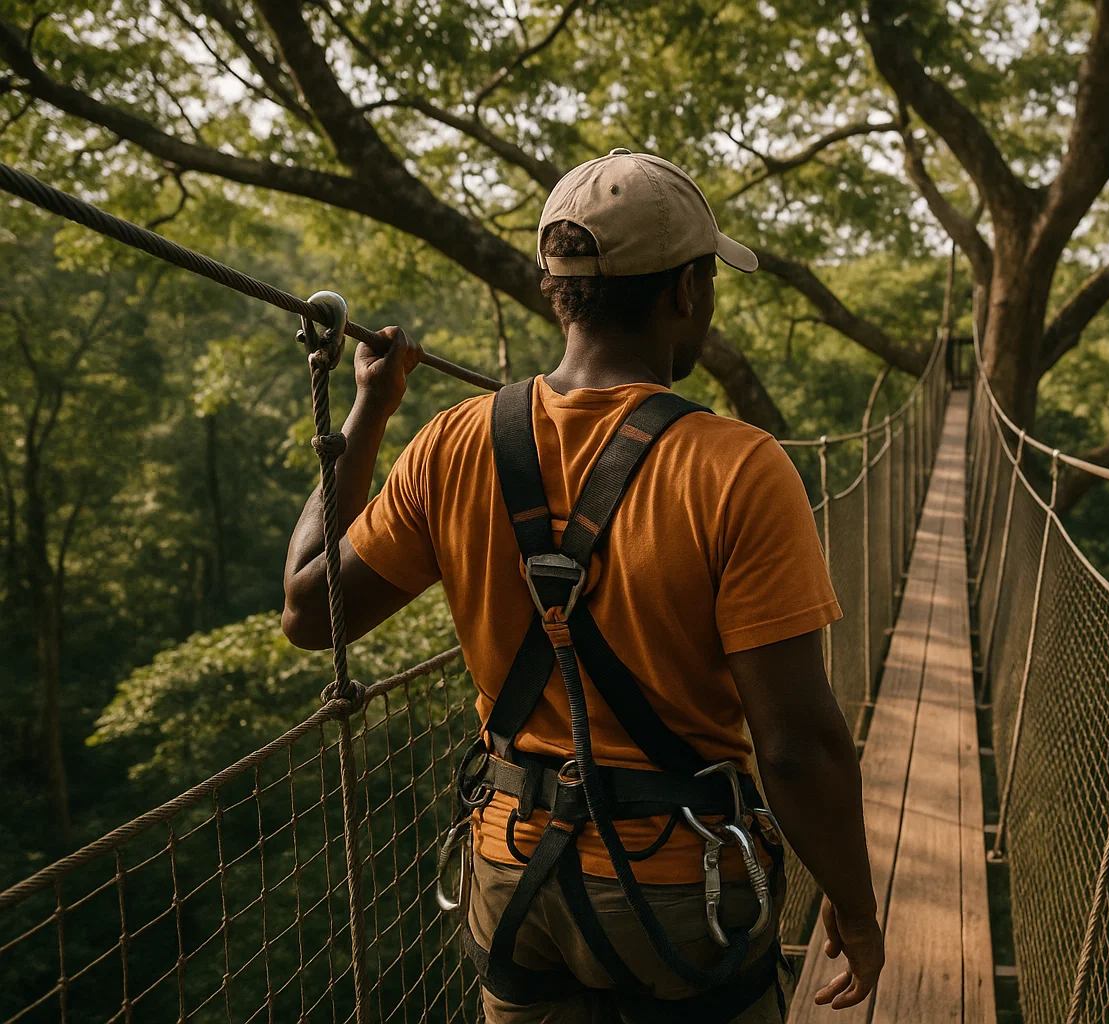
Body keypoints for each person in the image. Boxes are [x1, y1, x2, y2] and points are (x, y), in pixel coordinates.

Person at [281, 149, 884, 1023]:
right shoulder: (738, 467)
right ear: (685, 292)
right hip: (686, 888)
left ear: (555, 288)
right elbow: (796, 745)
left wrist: (369, 407)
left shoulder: (451, 443)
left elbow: (309, 609)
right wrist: (856, 911)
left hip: (516, 877)